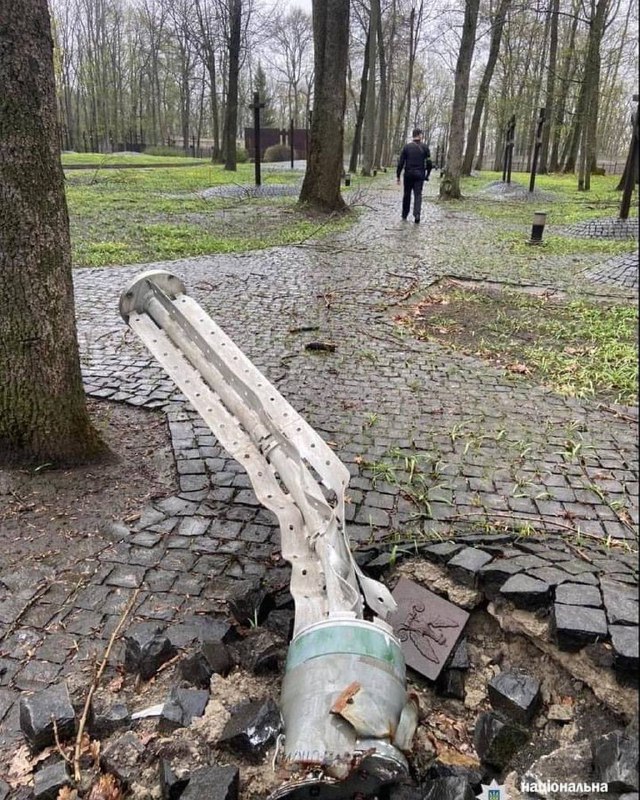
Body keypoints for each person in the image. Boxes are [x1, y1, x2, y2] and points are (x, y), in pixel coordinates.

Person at [396, 128, 431, 223]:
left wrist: (398, 176)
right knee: (418, 195)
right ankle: (417, 215)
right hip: (420, 175)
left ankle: (404, 214)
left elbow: (401, 163)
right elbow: (429, 163)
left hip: (408, 174)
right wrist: (427, 174)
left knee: (407, 194)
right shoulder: (425, 147)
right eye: (421, 134)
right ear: (419, 135)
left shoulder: (406, 147)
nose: (422, 136)